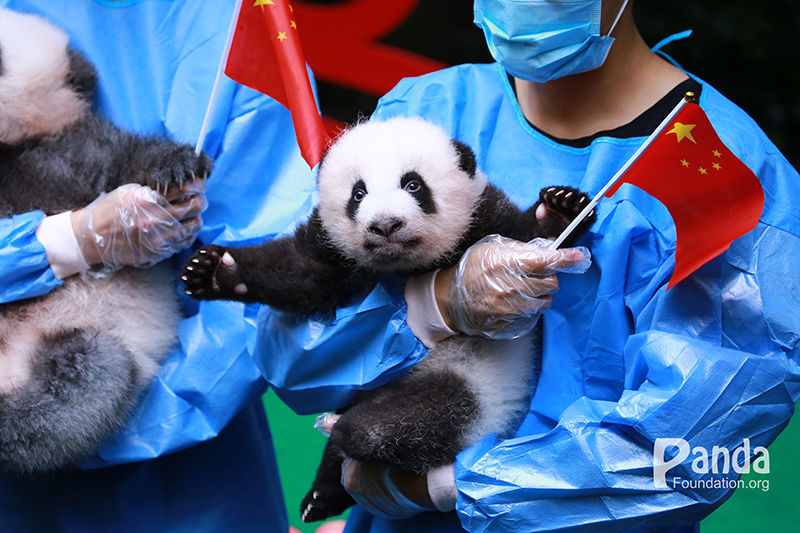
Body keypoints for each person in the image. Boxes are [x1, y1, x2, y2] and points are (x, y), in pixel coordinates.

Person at [257, 0, 800, 532]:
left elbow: (689, 446)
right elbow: (291, 351)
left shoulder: (732, 173)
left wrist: (450, 488)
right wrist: (434, 306)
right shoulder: (424, 114)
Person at [0, 0, 316, 531]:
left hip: (184, 467)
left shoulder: (232, 27)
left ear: (73, 79)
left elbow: (268, 272)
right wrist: (68, 240)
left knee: (86, 374)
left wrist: (150, 406)